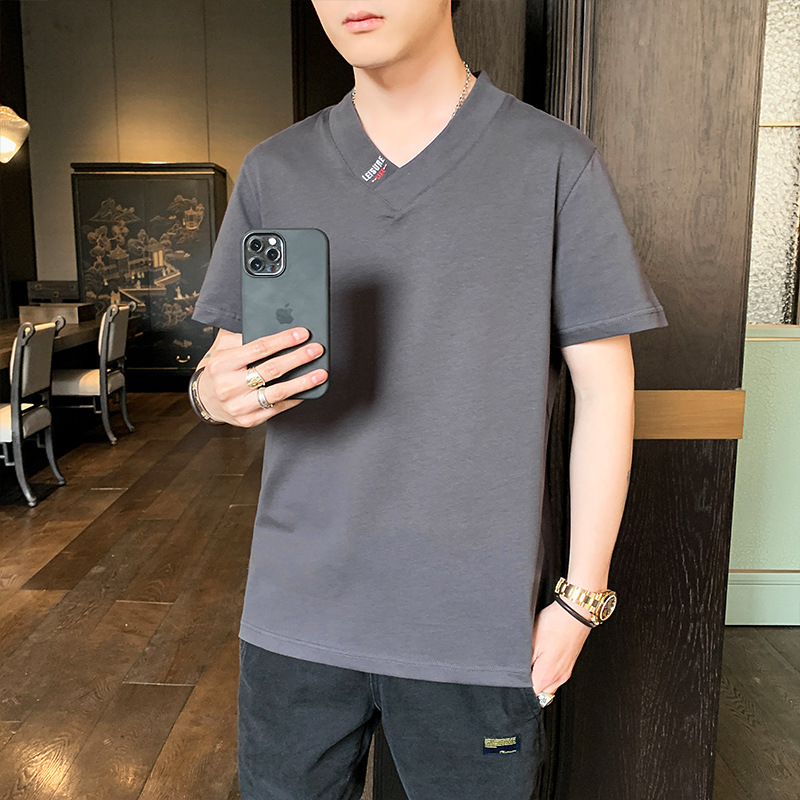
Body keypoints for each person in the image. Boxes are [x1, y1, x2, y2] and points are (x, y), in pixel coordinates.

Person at [189, 1, 668, 797]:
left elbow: (606, 393)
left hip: (474, 623)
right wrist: (213, 395)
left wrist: (579, 602)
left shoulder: (553, 161)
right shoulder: (276, 168)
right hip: (296, 613)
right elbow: (221, 364)